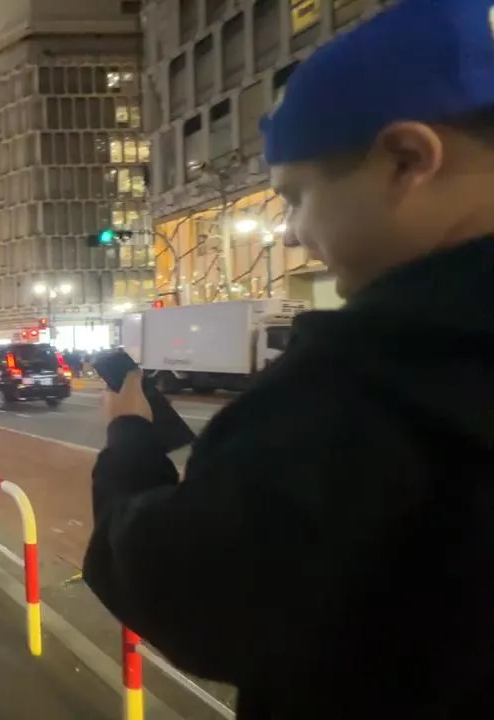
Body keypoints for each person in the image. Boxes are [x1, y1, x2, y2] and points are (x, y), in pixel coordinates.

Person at [83, 2, 494, 717]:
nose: (294, 235)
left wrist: (129, 441)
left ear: (407, 160)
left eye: (297, 197)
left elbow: (191, 592)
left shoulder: (372, 380)